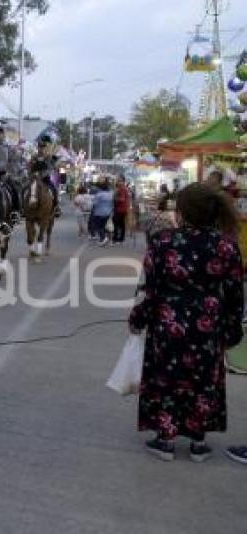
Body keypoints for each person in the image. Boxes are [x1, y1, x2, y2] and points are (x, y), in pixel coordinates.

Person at [130, 182, 244, 462]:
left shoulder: (163, 241)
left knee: (167, 378)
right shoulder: (227, 246)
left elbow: (151, 288)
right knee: (204, 380)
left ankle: (166, 440)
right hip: (208, 323)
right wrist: (232, 330)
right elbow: (234, 293)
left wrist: (138, 318)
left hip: (168, 322)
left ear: (182, 212)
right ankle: (198, 443)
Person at [0, 126, 22, 223]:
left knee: (14, 189)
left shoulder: (8, 148)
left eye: (0, 133)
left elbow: (13, 162)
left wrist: (9, 173)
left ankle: (15, 212)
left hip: (3, 175)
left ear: (3, 135)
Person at [29, 137, 61, 217]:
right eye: (40, 147)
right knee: (25, 190)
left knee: (54, 189)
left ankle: (56, 207)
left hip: (45, 178)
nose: (41, 149)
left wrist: (54, 161)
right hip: (35, 178)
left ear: (45, 148)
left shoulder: (49, 157)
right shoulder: (34, 157)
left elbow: (53, 165)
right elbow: (30, 166)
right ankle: (22, 209)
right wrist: (31, 171)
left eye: (43, 148)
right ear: (38, 148)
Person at [90, 178, 114, 245]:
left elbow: (94, 204)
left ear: (100, 188)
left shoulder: (99, 195)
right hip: (108, 212)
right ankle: (104, 239)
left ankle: (103, 238)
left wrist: (92, 210)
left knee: (99, 226)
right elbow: (112, 204)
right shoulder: (110, 195)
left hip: (99, 213)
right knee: (105, 226)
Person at [112, 175, 131, 245]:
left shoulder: (122, 188)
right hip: (123, 209)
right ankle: (121, 239)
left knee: (116, 223)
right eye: (118, 180)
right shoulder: (122, 188)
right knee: (121, 224)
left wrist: (114, 198)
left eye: (119, 180)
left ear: (123, 181)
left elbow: (122, 199)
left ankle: (116, 239)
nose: (118, 181)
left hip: (120, 209)